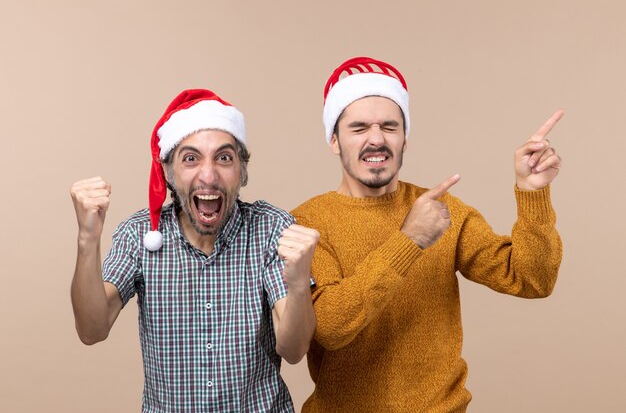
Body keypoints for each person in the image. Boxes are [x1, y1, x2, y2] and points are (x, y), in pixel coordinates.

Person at [292, 57, 563, 412]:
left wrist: (532, 193)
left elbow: (533, 280)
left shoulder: (441, 209)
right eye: (358, 128)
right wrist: (409, 240)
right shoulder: (308, 221)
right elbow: (330, 327)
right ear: (334, 140)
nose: (376, 139)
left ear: (405, 139)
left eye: (390, 127)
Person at [70, 88, 318, 413]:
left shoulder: (271, 228)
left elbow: (294, 349)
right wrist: (87, 239)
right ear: (169, 173)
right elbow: (92, 329)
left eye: (224, 158)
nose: (209, 175)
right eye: (191, 158)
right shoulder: (141, 234)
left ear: (242, 171)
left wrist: (299, 284)